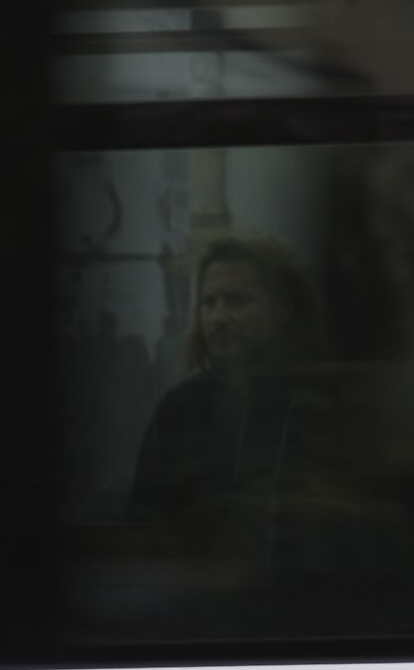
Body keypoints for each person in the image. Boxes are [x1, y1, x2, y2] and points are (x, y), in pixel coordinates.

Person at [127, 233, 328, 580]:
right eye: (209, 302)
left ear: (282, 308)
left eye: (236, 301)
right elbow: (145, 525)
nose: (218, 317)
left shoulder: (316, 401)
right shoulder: (180, 408)